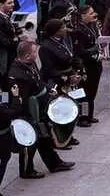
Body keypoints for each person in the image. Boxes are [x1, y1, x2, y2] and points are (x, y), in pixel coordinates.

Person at [6, 40, 73, 178]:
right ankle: (26, 170)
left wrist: (48, 90)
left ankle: (54, 163)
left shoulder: (30, 64)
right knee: (29, 142)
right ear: (28, 55)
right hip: (27, 111)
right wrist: (23, 116)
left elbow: (38, 80)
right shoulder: (16, 74)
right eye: (34, 52)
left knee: (44, 137)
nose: (37, 54)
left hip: (39, 107)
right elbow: (17, 97)